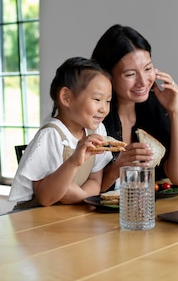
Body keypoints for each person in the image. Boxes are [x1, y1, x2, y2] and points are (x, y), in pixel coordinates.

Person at [91, 24, 178, 190]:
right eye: (130, 74)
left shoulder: (153, 106)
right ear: (107, 75)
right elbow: (84, 190)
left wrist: (175, 112)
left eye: (148, 69)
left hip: (146, 210)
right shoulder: (95, 115)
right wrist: (116, 168)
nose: (143, 81)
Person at [9, 57, 115, 209]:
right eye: (97, 99)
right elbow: (45, 198)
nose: (104, 108)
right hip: (35, 221)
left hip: (68, 215)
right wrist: (73, 162)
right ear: (66, 97)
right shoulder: (51, 136)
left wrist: (79, 195)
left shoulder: (97, 130)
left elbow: (95, 181)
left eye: (108, 101)